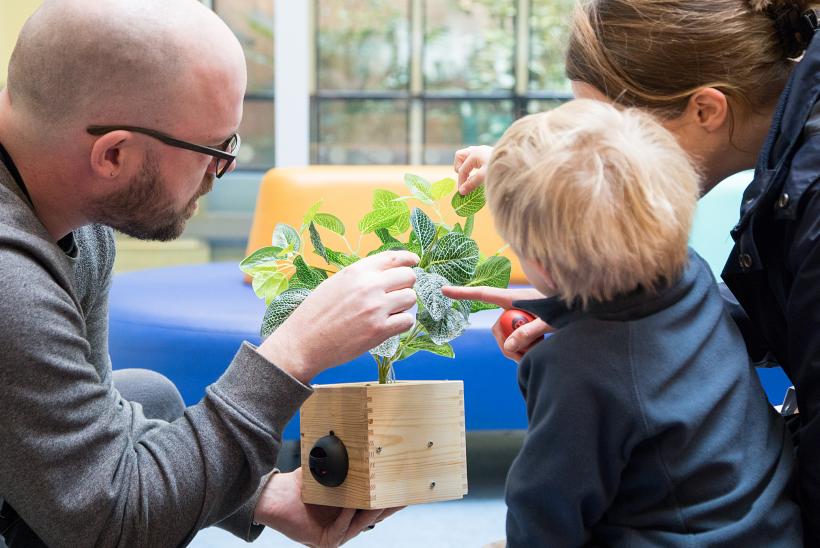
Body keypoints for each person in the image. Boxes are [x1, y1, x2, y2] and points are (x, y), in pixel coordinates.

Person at [0, 1, 418, 547]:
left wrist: (258, 493)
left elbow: (99, 424)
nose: (226, 168)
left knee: (147, 395)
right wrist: (294, 353)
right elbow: (109, 522)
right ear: (113, 155)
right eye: (213, 149)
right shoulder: (12, 283)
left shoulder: (79, 221)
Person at [446, 0, 820, 542]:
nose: (614, 157)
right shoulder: (687, 266)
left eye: (618, 127)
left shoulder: (812, 204)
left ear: (706, 109)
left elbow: (543, 511)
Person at [483, 98, 801, 546]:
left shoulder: (573, 370)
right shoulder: (690, 273)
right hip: (770, 524)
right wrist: (563, 314)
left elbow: (543, 509)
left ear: (539, 265)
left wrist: (565, 343)